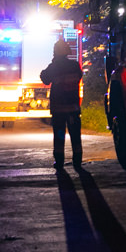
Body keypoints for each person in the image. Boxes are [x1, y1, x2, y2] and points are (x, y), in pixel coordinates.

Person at [40, 39, 83, 170]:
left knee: (59, 135)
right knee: (75, 135)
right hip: (73, 108)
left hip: (59, 109)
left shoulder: (54, 67)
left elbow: (45, 78)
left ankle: (59, 162)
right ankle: (77, 161)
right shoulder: (75, 66)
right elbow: (79, 77)